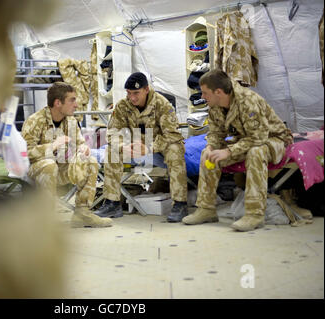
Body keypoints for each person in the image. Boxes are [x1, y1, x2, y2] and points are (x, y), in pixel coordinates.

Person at [182, 69, 293, 231]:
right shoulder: (215, 104)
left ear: (218, 92)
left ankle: (255, 214)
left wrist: (228, 151)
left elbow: (258, 138)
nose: (202, 97)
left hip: (272, 139)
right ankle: (206, 209)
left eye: (205, 93)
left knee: (256, 152)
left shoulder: (248, 101)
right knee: (207, 153)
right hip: (245, 139)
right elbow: (215, 133)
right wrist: (212, 146)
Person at [95, 72, 189, 222]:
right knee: (112, 150)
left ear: (146, 89)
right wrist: (122, 147)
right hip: (135, 147)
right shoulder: (123, 106)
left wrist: (150, 148)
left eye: (136, 93)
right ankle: (112, 203)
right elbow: (112, 132)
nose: (132, 98)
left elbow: (173, 135)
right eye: (129, 93)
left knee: (175, 150)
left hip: (159, 148)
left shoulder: (162, 104)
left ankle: (180, 203)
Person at [22, 82, 112, 228]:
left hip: (61, 170)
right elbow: (24, 153)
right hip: (36, 171)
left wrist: (83, 148)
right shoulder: (35, 121)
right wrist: (52, 146)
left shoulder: (71, 120)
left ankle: (82, 213)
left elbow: (80, 143)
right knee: (49, 165)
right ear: (58, 103)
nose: (76, 105)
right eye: (72, 100)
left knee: (91, 161)